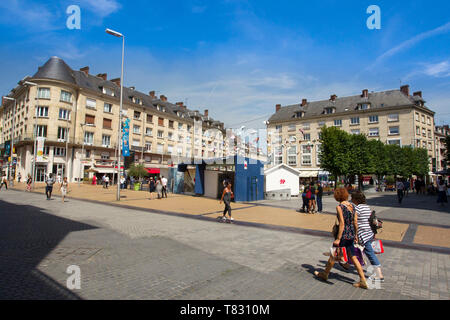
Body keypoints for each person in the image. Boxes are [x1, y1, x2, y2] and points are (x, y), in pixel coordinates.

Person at [314, 187, 368, 289]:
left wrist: (338, 238)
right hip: (351, 234)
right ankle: (363, 280)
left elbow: (342, 223)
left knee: (333, 255)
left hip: (344, 235)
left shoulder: (340, 207)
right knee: (353, 257)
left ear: (337, 196)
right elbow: (355, 222)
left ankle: (325, 274)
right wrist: (356, 235)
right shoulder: (353, 205)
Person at [351, 191, 385, 283]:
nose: (351, 200)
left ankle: (379, 275)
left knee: (370, 253)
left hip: (363, 234)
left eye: (352, 198)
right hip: (369, 233)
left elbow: (354, 221)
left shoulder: (357, 208)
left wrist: (356, 234)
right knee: (358, 249)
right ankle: (350, 262)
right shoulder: (367, 207)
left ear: (356, 199)